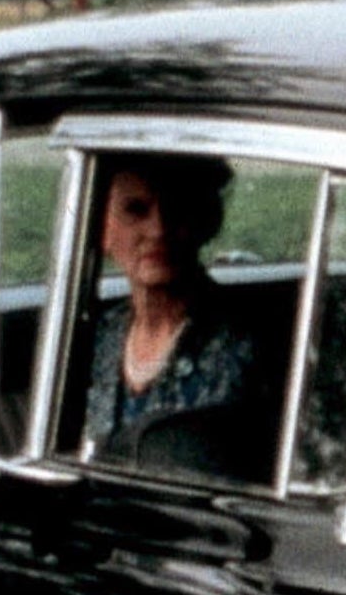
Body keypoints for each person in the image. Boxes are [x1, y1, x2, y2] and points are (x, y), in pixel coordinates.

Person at [80, 154, 262, 462]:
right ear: (102, 229)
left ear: (206, 221)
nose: (158, 229)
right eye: (135, 210)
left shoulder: (243, 343)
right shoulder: (99, 335)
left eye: (178, 207)